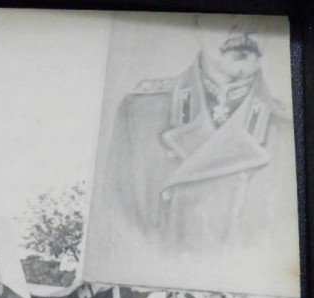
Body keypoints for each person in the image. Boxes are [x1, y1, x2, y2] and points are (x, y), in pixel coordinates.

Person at [98, 15, 296, 257]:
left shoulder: (290, 133)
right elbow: (114, 233)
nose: (244, 27)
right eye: (228, 10)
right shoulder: (139, 114)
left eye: (258, 11)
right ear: (197, 20)